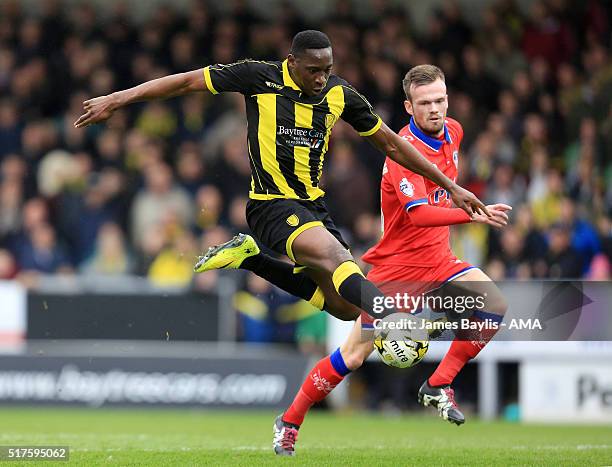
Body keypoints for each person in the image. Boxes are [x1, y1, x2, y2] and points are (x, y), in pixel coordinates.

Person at [75, 30, 487, 333]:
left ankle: (249, 257)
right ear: (292, 62)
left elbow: (393, 145)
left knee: (344, 307)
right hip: (270, 205)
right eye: (313, 71)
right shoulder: (258, 77)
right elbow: (185, 81)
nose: (321, 78)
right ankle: (395, 318)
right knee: (339, 261)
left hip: (313, 207)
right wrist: (117, 99)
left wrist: (451, 187)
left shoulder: (340, 95)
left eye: (327, 70)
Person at [194, 63, 510, 456]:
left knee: (493, 305)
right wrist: (473, 211)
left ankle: (438, 383)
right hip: (398, 269)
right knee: (354, 354)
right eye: (425, 103)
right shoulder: (401, 155)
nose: (435, 109)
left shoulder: (456, 132)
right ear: (408, 108)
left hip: (441, 260)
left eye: (440, 100)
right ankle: (289, 421)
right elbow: (418, 213)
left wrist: (464, 206)